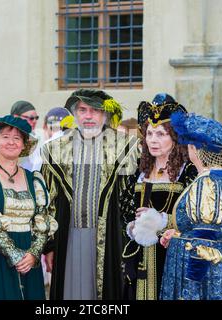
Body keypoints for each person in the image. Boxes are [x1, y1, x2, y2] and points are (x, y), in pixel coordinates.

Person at [41, 89, 139, 300]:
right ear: (74, 113)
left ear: (105, 115)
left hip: (110, 238)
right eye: (83, 110)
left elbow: (132, 197)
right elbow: (47, 202)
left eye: (95, 110)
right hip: (68, 238)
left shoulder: (126, 146)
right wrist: (49, 245)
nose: (88, 116)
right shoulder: (55, 149)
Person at [160, 112, 222, 300]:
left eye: (189, 146)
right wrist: (178, 236)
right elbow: (213, 230)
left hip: (208, 275)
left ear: (196, 149)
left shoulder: (209, 183)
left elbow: (205, 241)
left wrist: (191, 288)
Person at [0, 115, 57, 300]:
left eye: (17, 138)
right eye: (6, 137)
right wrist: (14, 255)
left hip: (30, 257)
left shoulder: (34, 179)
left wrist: (33, 254)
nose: (11, 142)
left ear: (24, 145)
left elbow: (43, 219)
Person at [122, 94, 198, 300]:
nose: (153, 140)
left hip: (171, 254)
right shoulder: (139, 169)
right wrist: (132, 226)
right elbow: (124, 208)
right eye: (149, 133)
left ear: (174, 137)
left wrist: (159, 220)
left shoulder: (188, 171)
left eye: (161, 134)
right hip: (139, 257)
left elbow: (193, 215)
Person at [0, 101, 42, 171]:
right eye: (31, 118)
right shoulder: (2, 141)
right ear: (16, 117)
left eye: (36, 118)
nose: (34, 121)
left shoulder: (37, 137)